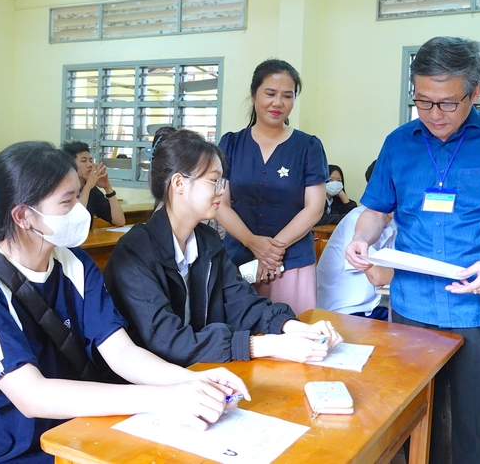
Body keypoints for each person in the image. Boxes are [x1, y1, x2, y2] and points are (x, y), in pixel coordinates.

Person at [0, 141, 249, 463]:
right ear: (23, 215)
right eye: (67, 203)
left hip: (72, 426)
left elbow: (121, 351)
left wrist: (192, 380)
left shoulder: (73, 263)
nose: (79, 211)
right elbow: (32, 396)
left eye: (78, 195)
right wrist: (165, 398)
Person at [345, 37, 480, 464]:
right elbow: (374, 212)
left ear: (475, 92)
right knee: (416, 417)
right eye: (423, 102)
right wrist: (362, 239)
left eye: (448, 103)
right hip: (413, 306)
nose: (434, 114)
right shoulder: (399, 143)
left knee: (479, 424)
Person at [104, 129, 342, 368]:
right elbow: (166, 340)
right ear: (179, 183)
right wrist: (268, 345)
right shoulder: (135, 252)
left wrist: (295, 328)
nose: (222, 190)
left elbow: (240, 301)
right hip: (152, 384)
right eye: (214, 181)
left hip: (203, 370)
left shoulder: (207, 241)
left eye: (222, 181)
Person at [216, 59, 328, 314]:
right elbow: (220, 203)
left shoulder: (308, 146)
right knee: (239, 339)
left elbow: (314, 208)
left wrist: (271, 250)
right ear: (254, 95)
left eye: (287, 96)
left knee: (294, 339)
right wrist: (253, 243)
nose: (278, 103)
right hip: (238, 261)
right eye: (270, 94)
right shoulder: (231, 144)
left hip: (292, 262)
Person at [316, 161, 395, 320]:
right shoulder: (357, 220)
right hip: (345, 311)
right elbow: (377, 276)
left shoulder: (393, 221)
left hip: (372, 304)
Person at [61, 141, 125, 228]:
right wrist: (88, 187)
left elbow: (119, 221)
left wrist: (108, 188)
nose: (90, 165)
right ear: (70, 164)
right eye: (84, 161)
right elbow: (74, 222)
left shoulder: (92, 190)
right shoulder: (61, 189)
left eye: (91, 161)